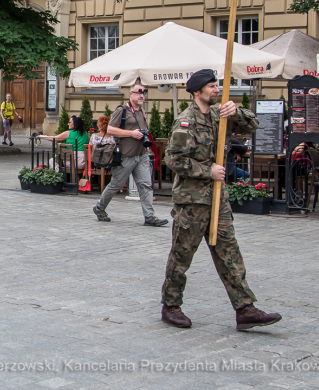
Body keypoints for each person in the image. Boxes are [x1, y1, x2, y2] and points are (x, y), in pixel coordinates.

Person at [161, 68, 281, 331]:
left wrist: (236, 112)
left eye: (217, 86)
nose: (217, 90)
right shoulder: (186, 121)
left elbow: (253, 125)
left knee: (229, 253)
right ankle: (170, 306)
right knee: (182, 255)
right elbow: (173, 159)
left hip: (218, 199)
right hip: (192, 202)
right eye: (212, 87)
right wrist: (208, 171)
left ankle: (245, 309)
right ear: (197, 92)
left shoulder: (219, 115)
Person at [92, 82, 168, 226]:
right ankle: (99, 207)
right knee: (116, 184)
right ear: (131, 94)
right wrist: (131, 133)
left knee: (145, 185)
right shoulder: (122, 110)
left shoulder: (141, 111)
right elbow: (111, 130)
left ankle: (149, 216)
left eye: (144, 92)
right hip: (125, 155)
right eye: (139, 92)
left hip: (141, 154)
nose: (142, 95)